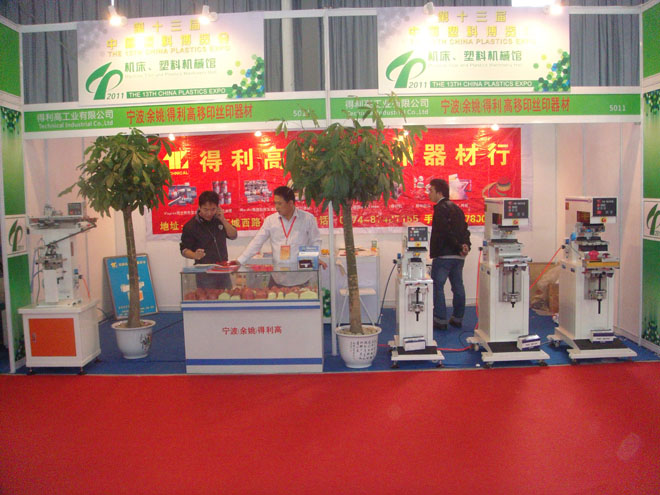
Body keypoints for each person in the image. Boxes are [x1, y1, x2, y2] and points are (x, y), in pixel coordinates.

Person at [235, 186, 327, 283]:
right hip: (278, 276)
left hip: (301, 276)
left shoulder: (307, 219)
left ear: (290, 203)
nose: (277, 207)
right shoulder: (270, 220)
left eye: (280, 203)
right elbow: (257, 242)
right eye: (275, 203)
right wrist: (240, 261)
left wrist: (314, 258)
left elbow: (315, 240)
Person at [428, 178, 471, 330]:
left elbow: (444, 232)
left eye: (431, 191)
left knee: (438, 287)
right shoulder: (457, 209)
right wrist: (465, 246)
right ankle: (457, 318)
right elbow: (465, 230)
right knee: (458, 286)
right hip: (458, 257)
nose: (429, 194)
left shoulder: (440, 209)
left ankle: (440, 320)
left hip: (443, 255)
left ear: (439, 192)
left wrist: (458, 245)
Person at [180, 190, 238, 288]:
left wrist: (223, 219)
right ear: (199, 207)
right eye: (205, 209)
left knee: (226, 296)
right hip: (204, 273)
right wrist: (195, 255)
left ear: (218, 207)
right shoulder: (191, 226)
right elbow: (184, 250)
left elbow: (233, 235)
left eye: (213, 209)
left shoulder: (219, 220)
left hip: (223, 270)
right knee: (207, 297)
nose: (209, 213)